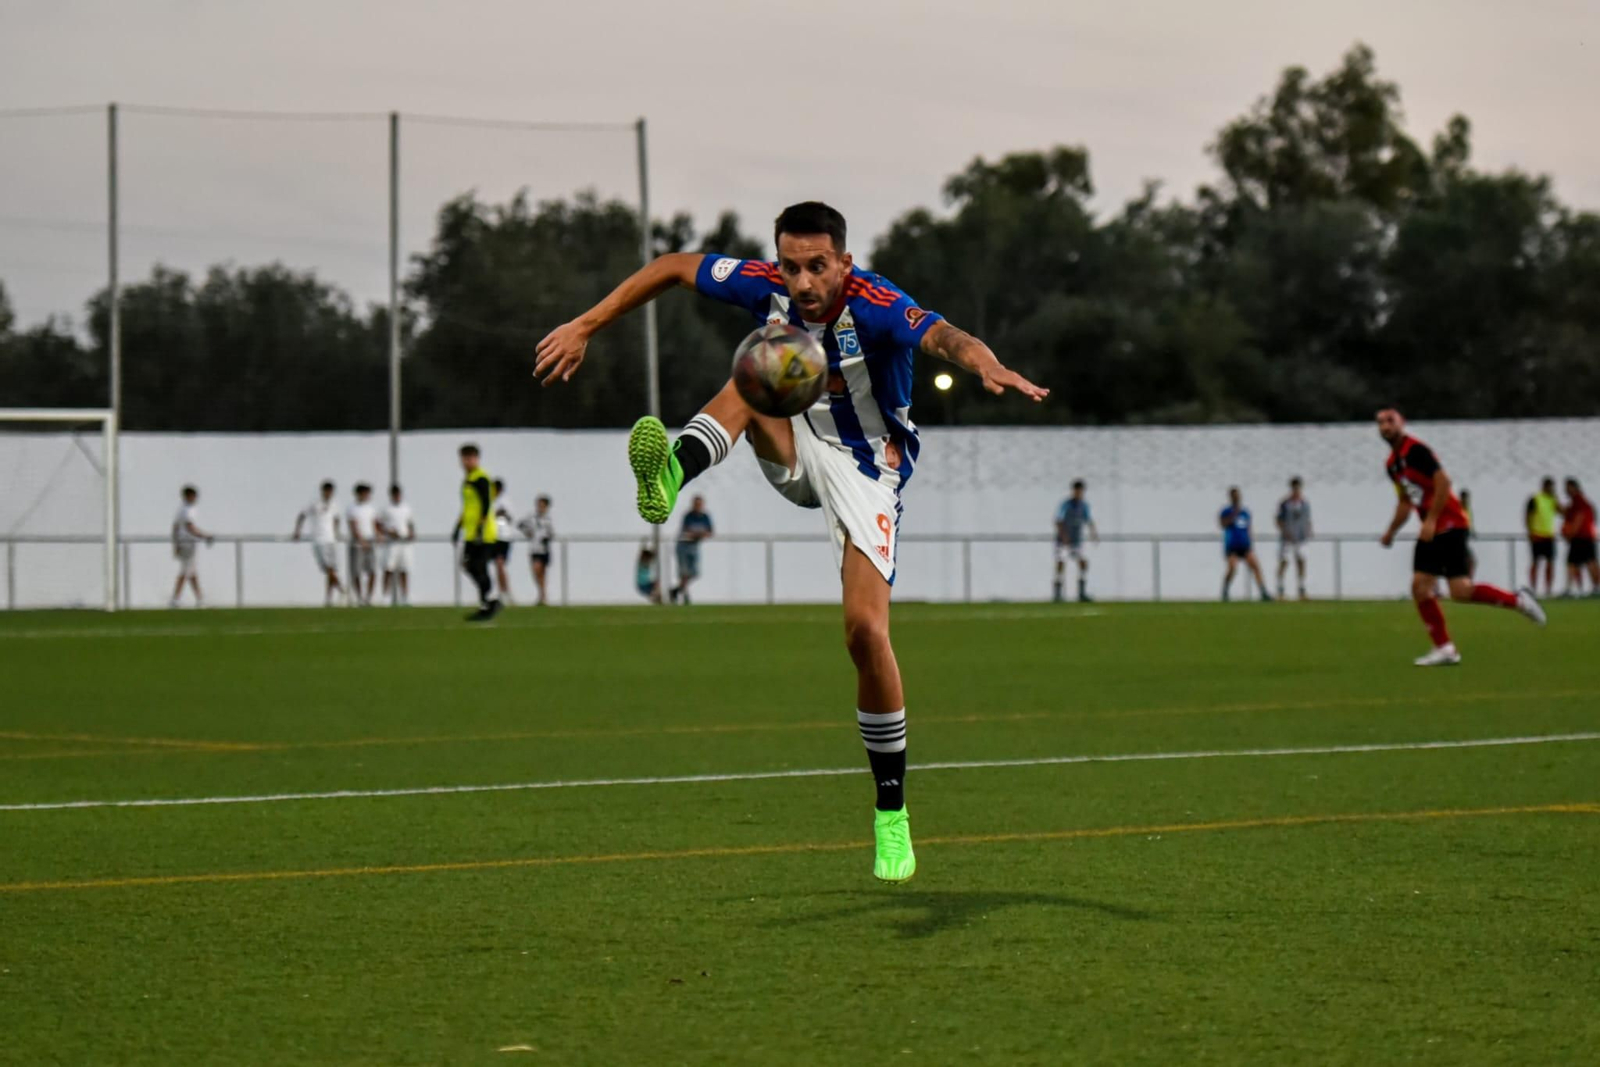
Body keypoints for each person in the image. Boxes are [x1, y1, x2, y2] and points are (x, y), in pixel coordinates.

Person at [533, 200, 1046, 883]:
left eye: (817, 266)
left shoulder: (876, 304)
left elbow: (943, 336)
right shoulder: (766, 287)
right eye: (791, 265)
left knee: (865, 633)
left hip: (867, 469)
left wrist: (986, 361)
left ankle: (891, 812)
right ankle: (670, 472)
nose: (803, 281)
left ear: (845, 263)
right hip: (796, 442)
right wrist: (584, 325)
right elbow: (674, 266)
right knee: (760, 366)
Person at [1377, 407, 1544, 665]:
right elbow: (1405, 501)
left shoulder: (1416, 450)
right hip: (1434, 527)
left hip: (1450, 524)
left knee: (1439, 588)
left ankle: (1512, 605)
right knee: (1444, 589)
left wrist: (1431, 519)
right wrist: (1391, 531)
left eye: (1391, 421)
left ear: (1402, 423)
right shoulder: (1392, 464)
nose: (1385, 426)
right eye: (1381, 422)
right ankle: (1451, 645)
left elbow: (1443, 482)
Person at [452, 444, 502, 622]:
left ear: (476, 459)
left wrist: (481, 526)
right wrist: (457, 527)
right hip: (471, 532)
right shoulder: (468, 480)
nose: (466, 462)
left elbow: (486, 504)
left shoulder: (481, 478)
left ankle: (487, 603)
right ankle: (489, 601)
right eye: (464, 458)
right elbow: (468, 507)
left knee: (478, 566)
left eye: (470, 458)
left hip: (484, 533)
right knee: (469, 566)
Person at [293, 480, 345, 606]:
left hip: (330, 540)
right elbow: (302, 515)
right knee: (328, 570)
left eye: (330, 491)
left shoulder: (335, 504)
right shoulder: (314, 503)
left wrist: (336, 532)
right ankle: (341, 591)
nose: (328, 493)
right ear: (322, 491)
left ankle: (332, 597)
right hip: (318, 540)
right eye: (326, 491)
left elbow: (337, 518)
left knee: (331, 569)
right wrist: (297, 530)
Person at [1219, 487, 1271, 602]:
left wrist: (1250, 541)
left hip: (1245, 545)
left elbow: (1248, 528)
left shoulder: (1245, 512)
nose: (1236, 498)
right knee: (1232, 568)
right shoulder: (1226, 511)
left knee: (1255, 566)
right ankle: (1225, 591)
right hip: (1232, 546)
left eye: (1238, 496)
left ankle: (1263, 592)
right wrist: (1233, 515)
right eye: (1234, 496)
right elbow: (1222, 524)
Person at [1052, 479, 1097, 602]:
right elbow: (1058, 521)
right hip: (1063, 541)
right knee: (1061, 563)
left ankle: (1082, 592)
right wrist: (1064, 536)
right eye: (1077, 490)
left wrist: (1093, 533)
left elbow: (1089, 520)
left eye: (1080, 491)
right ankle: (1057, 594)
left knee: (1083, 563)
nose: (1078, 493)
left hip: (1077, 541)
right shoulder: (1066, 505)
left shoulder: (1084, 505)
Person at [169, 485, 212, 608]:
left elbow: (175, 527)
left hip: (184, 543)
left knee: (191, 572)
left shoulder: (181, 509)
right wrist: (204, 536)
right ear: (189, 496)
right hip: (188, 543)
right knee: (186, 571)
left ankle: (199, 598)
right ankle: (175, 599)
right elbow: (190, 527)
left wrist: (176, 544)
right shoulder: (188, 510)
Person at [1275, 477, 1313, 600]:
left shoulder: (1304, 503)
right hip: (1287, 538)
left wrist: (1308, 530)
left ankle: (1302, 589)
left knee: (1301, 561)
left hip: (1301, 538)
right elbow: (1278, 520)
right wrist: (1284, 531)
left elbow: (1307, 519)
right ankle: (1280, 589)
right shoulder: (1285, 504)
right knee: (1284, 561)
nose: (1296, 490)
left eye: (1298, 487)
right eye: (1294, 487)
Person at [671, 495, 714, 605]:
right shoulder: (688, 516)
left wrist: (699, 534)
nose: (698, 506)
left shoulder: (705, 517)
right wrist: (699, 533)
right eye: (696, 504)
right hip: (683, 546)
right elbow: (687, 531)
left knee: (694, 573)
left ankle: (676, 590)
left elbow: (710, 532)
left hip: (695, 546)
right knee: (684, 572)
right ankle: (685, 596)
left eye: (700, 504)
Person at [380, 483, 416, 606]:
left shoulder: (406, 508)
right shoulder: (386, 509)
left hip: (404, 543)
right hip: (392, 543)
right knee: (388, 569)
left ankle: (405, 596)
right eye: (394, 494)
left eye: (398, 494)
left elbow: (410, 523)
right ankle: (386, 596)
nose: (396, 496)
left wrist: (411, 533)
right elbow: (378, 524)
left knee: (404, 569)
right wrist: (388, 532)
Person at [1562, 477, 1599, 596]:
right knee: (1578, 562)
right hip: (1585, 535)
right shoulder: (1578, 502)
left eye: (1568, 488)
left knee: (1588, 562)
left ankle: (1595, 587)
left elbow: (1579, 518)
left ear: (1574, 487)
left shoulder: (1579, 501)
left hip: (1581, 536)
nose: (1566, 490)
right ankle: (1571, 588)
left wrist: (1571, 533)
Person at [518, 495, 556, 607]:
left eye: (542, 506)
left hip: (544, 549)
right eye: (539, 505)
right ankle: (542, 594)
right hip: (534, 549)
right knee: (536, 570)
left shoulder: (548, 520)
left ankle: (542, 596)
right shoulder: (531, 517)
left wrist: (547, 537)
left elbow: (552, 533)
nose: (540, 508)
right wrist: (527, 533)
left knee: (542, 573)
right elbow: (520, 524)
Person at [345, 483, 379, 606]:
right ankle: (359, 597)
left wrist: (378, 535)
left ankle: (368, 598)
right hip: (357, 544)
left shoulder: (371, 508)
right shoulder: (352, 508)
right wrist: (361, 540)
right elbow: (353, 526)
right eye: (365, 493)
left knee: (372, 571)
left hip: (370, 542)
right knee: (356, 572)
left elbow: (374, 524)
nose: (367, 495)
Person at [1526, 476, 1560, 596]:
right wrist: (1530, 531)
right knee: (1535, 563)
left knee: (1550, 563)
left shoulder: (1552, 499)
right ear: (1544, 486)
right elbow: (1528, 515)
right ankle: (1533, 588)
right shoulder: (1535, 499)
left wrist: (1556, 498)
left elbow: (1561, 511)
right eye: (1549, 486)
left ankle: (1548, 590)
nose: (1551, 489)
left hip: (1549, 536)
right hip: (1537, 535)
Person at [491, 478, 516, 604]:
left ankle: (506, 592)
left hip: (504, 537)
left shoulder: (505, 502)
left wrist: (501, 514)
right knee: (497, 565)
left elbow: (510, 518)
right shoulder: (491, 501)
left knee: (500, 563)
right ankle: (501, 591)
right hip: (493, 536)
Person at [1459, 489, 1477, 577]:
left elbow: (1469, 521)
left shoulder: (1467, 508)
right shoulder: (1458, 508)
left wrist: (1472, 531)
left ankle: (1467, 577)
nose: (1466, 500)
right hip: (1460, 537)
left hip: (1465, 535)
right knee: (1468, 560)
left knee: (1470, 560)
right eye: (1465, 498)